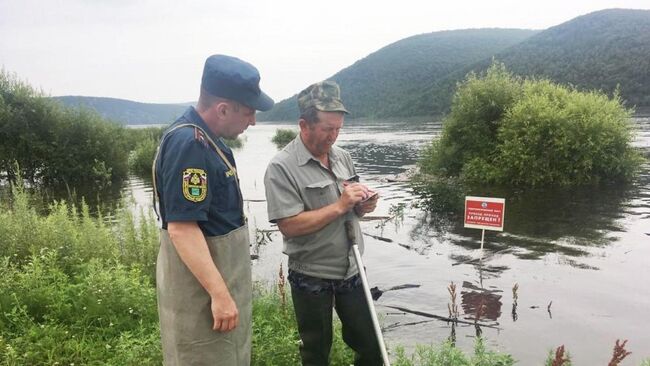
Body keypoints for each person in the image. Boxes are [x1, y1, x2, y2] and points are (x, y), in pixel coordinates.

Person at [152, 54, 274, 366]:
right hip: (201, 296)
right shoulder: (190, 144)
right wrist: (220, 295)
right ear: (222, 109)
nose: (254, 121)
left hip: (214, 286)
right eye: (249, 112)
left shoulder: (209, 141)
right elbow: (182, 228)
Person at [264, 81, 382, 366]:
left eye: (339, 128)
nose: (334, 135)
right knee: (315, 353)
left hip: (352, 270)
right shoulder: (281, 167)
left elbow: (351, 209)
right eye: (328, 128)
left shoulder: (343, 157)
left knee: (371, 345)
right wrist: (340, 205)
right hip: (311, 276)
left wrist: (362, 206)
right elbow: (289, 225)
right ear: (304, 125)